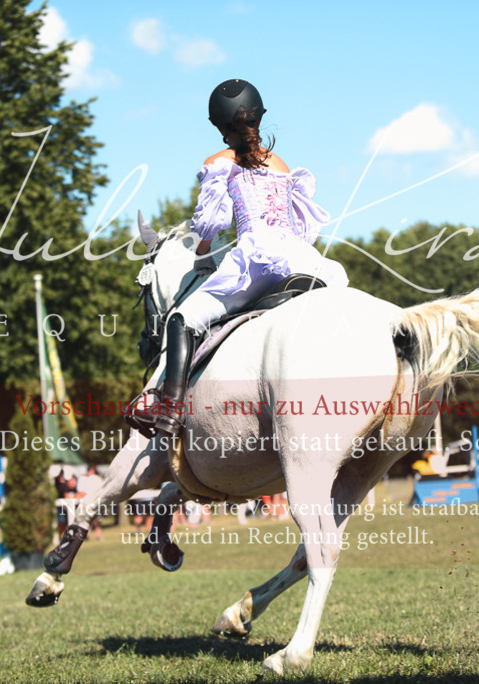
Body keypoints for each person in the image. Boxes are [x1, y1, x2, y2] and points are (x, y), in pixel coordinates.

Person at [127, 78, 349, 439]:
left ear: (221, 127)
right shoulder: (282, 164)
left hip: (255, 263)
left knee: (183, 317)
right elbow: (306, 228)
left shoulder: (219, 162)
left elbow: (211, 223)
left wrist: (203, 256)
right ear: (259, 117)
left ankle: (169, 410)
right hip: (303, 261)